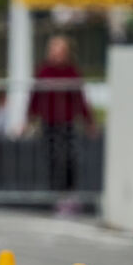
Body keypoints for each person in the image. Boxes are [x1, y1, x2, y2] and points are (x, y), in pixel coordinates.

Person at [25, 36, 95, 193]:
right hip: (49, 122)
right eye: (54, 50)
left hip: (67, 122)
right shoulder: (43, 71)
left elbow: (80, 99)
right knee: (51, 158)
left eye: (60, 50)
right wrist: (29, 118)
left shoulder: (72, 72)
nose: (56, 54)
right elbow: (34, 97)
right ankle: (53, 193)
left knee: (69, 157)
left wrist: (88, 121)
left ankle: (69, 192)